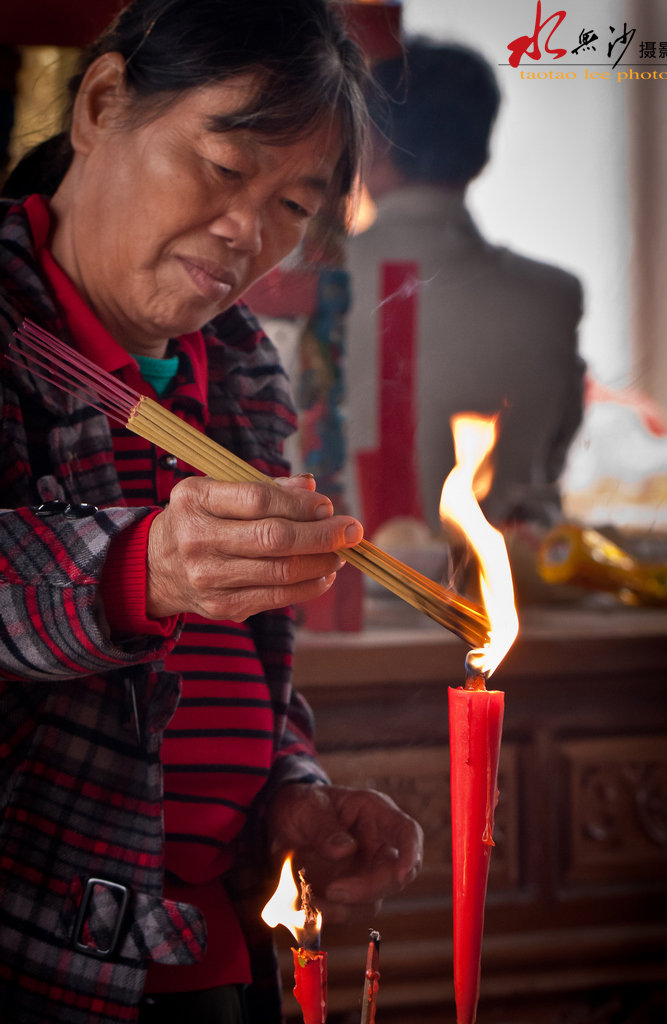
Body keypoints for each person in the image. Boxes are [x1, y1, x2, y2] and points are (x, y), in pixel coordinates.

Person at [0, 3, 423, 1022]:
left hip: (213, 959)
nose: (249, 233)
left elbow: (246, 670)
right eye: (230, 170)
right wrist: (139, 568)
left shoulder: (240, 370)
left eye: (292, 205)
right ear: (103, 103)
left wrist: (292, 795)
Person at [346, 39, 585, 543]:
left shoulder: (306, 286)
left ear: (374, 145)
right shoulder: (554, 297)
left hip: (337, 592)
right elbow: (553, 459)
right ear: (481, 156)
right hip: (514, 592)